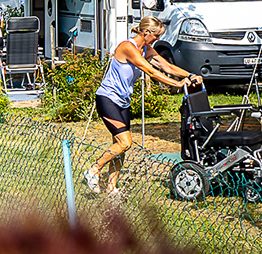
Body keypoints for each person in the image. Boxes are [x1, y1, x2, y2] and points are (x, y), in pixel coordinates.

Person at [85, 16, 204, 194]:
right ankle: (93, 170)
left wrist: (190, 75)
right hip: (107, 99)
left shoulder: (146, 49)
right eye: (156, 35)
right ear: (146, 32)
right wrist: (177, 84)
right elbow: (150, 71)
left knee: (119, 147)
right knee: (125, 143)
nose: (158, 39)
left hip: (123, 101)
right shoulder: (128, 47)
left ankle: (111, 188)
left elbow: (167, 67)